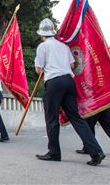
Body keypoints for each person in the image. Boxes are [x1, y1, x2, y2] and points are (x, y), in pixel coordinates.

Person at [34, 18, 105, 166]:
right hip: (69, 81)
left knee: (51, 119)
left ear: (42, 34)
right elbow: (73, 65)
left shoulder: (43, 46)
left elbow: (39, 69)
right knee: (76, 118)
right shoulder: (64, 47)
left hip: (54, 82)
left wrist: (46, 67)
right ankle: (96, 151)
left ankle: (54, 153)